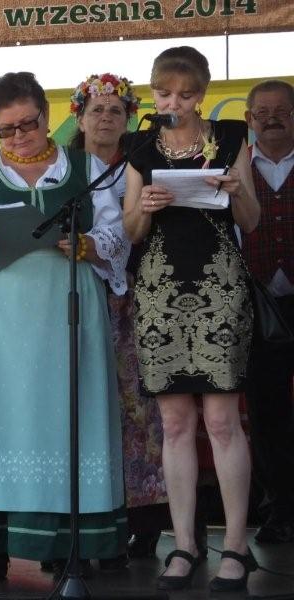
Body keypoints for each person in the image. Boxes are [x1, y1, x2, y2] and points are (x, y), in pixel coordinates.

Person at [0, 71, 129, 580]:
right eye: (7, 129)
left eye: (28, 125)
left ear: (47, 116)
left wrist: (91, 245)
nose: (18, 137)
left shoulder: (86, 166)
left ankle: (68, 543)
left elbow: (116, 229)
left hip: (66, 307)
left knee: (65, 414)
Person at [122, 46, 260, 592]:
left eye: (183, 94)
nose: (172, 103)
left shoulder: (229, 136)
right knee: (175, 422)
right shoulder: (139, 145)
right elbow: (132, 230)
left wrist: (236, 190)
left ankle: (237, 545)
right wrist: (146, 208)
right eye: (163, 94)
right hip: (159, 288)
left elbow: (251, 219)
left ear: (200, 95)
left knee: (222, 421)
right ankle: (183, 544)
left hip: (219, 285)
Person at [70, 73, 170, 560]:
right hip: (78, 299)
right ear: (79, 118)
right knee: (83, 404)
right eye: (97, 110)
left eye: (116, 111)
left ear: (129, 118)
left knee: (140, 409)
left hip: (139, 297)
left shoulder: (145, 162)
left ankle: (146, 520)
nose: (106, 118)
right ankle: (81, 522)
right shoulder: (64, 169)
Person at [242, 79, 294, 544]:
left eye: (281, 111)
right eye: (263, 112)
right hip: (256, 305)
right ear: (249, 119)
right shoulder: (234, 166)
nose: (272, 119)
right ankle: (278, 509)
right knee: (266, 412)